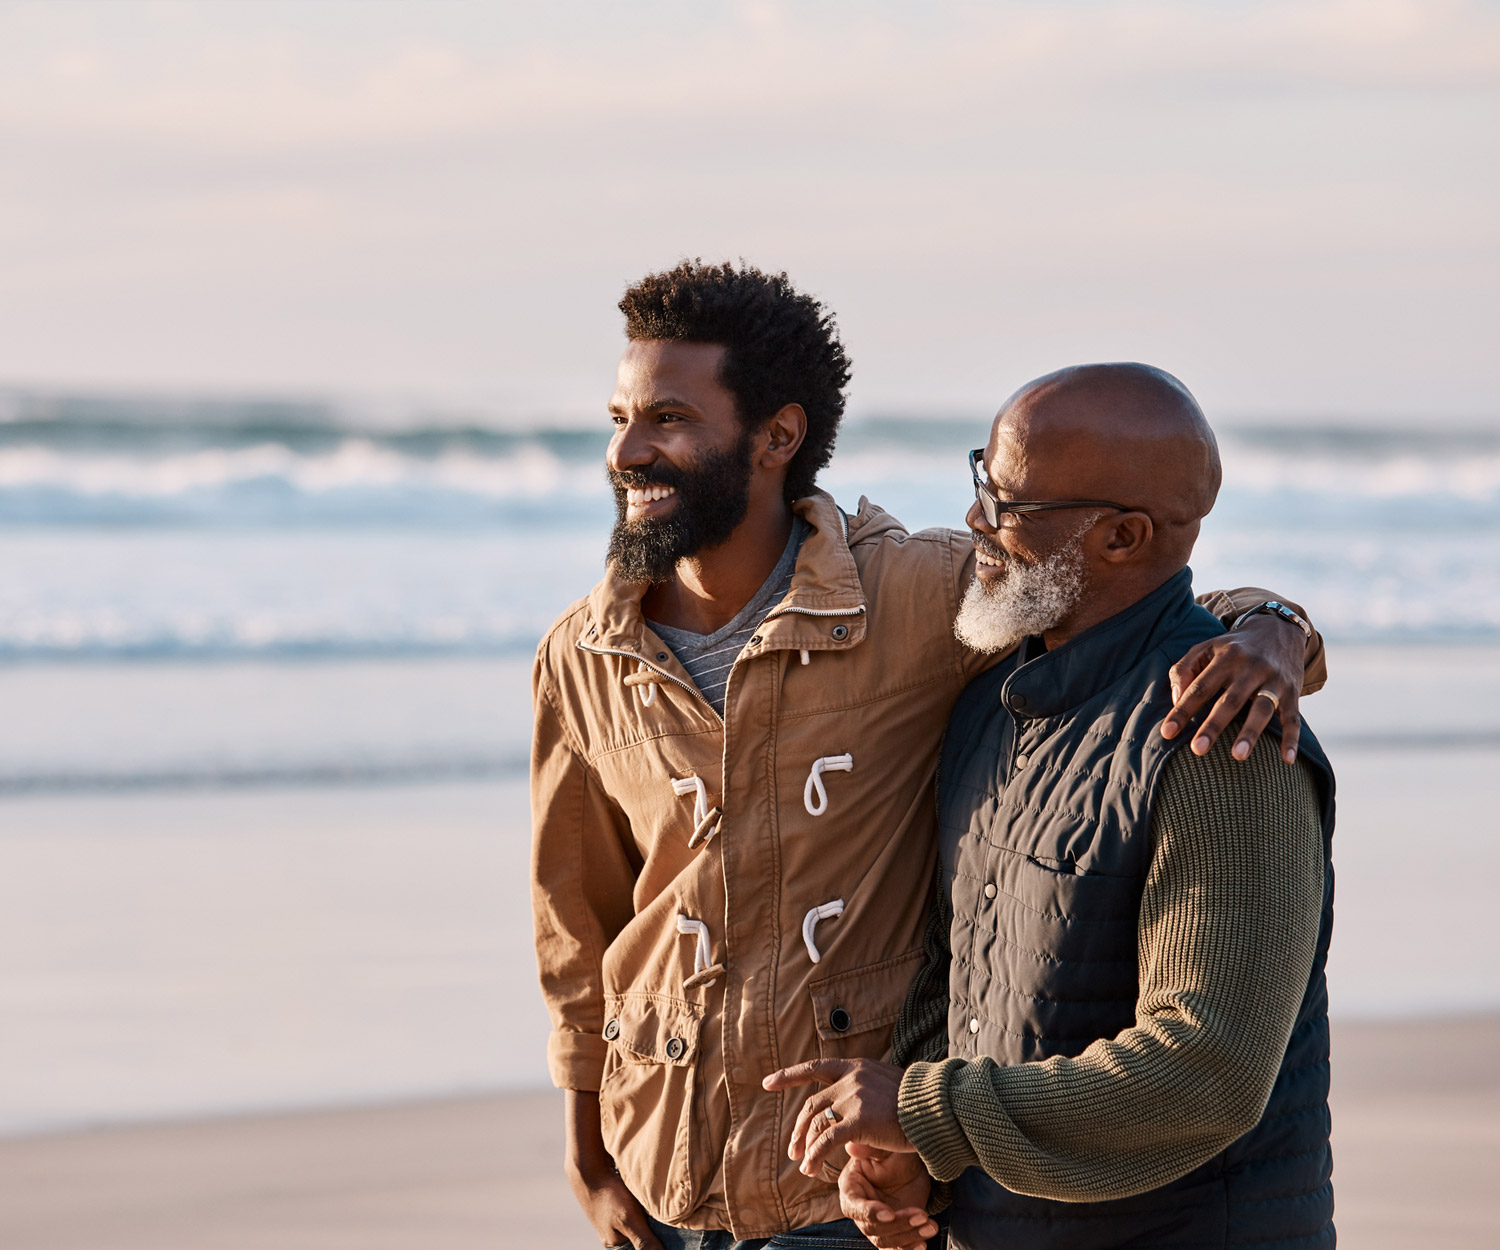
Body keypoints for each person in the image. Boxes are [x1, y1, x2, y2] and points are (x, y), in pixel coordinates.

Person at [530, 265, 1325, 1249]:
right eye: (621, 416)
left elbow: (1139, 598)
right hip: (666, 1170)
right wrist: (589, 1157)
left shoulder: (923, 598)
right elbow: (577, 923)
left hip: (839, 1193)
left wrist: (1275, 629)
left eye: (668, 418)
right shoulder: (581, 653)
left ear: (777, 436)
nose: (628, 450)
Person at [764, 363, 1336, 1250]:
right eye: (979, 482)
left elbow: (1207, 1070)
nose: (974, 523)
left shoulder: (1224, 745)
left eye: (1007, 504)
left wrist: (927, 1111)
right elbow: (956, 976)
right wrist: (917, 1157)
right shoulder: (992, 703)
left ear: (1121, 536)